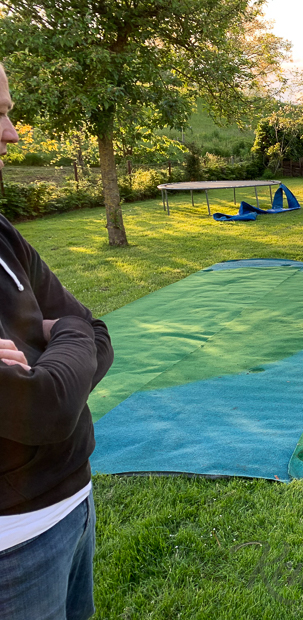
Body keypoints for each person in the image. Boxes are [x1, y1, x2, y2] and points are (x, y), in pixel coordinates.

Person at [0, 63, 114, 620]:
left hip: (76, 505)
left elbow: (95, 330)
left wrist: (59, 336)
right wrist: (67, 341)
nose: (12, 134)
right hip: (11, 552)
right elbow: (45, 409)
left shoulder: (3, 233)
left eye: (8, 113)